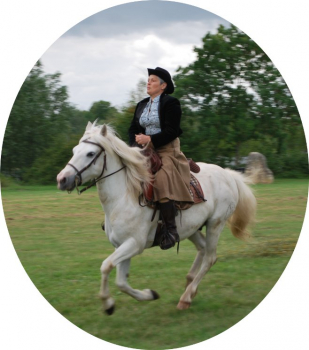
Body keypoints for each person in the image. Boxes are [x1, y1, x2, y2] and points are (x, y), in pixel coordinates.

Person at [128, 67, 193, 250]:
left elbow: (172, 131)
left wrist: (150, 139)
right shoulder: (141, 104)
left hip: (167, 150)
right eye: (148, 79)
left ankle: (170, 230)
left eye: (153, 80)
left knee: (162, 180)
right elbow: (133, 129)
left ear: (163, 86)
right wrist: (135, 146)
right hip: (143, 151)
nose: (148, 82)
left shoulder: (171, 103)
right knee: (126, 174)